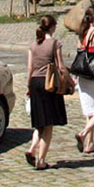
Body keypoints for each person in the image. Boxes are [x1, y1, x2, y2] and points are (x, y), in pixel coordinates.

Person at [25, 13, 70, 169]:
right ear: (51, 27)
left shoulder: (33, 45)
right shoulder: (54, 44)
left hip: (35, 83)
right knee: (48, 124)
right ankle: (41, 160)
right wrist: (71, 81)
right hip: (48, 83)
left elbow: (30, 68)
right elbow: (61, 67)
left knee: (39, 123)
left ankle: (31, 149)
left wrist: (28, 86)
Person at [71, 4, 94, 153]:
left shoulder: (82, 32)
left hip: (82, 75)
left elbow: (80, 50)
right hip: (93, 73)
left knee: (89, 111)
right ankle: (83, 133)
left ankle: (89, 144)